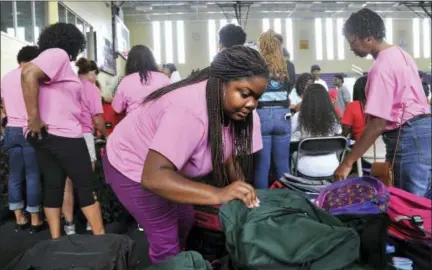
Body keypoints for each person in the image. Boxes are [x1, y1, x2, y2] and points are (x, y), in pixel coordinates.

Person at [102, 45, 267, 263]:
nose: (252, 104)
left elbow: (232, 157)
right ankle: (170, 263)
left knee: (185, 219)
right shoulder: (190, 111)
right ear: (221, 82)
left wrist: (243, 193)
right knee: (166, 239)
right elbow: (154, 178)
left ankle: (182, 262)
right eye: (245, 94)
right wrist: (219, 194)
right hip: (132, 164)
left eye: (257, 97)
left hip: (167, 169)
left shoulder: (245, 115)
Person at [334, 8, 431, 198]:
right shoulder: (402, 55)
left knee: (409, 209)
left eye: (353, 42)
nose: (351, 48)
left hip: (409, 138)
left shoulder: (381, 67)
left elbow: (378, 124)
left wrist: (348, 162)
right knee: (425, 207)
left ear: (369, 38)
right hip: (425, 132)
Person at [21, 22, 105, 238]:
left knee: (53, 186)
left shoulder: (51, 60)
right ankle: (101, 240)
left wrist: (35, 121)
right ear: (73, 43)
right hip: (64, 134)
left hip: (47, 136)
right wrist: (34, 118)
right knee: (86, 186)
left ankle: (56, 242)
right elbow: (28, 74)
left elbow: (29, 74)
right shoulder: (57, 54)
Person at [62, 57, 108, 235]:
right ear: (91, 74)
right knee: (87, 182)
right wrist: (106, 136)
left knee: (67, 183)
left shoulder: (66, 85)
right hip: (85, 136)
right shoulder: (91, 88)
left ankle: (69, 225)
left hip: (65, 135)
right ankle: (91, 223)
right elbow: (97, 120)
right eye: (95, 75)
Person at [1, 45, 44, 233]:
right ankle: (35, 219)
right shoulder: (33, 75)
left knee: (15, 176)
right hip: (28, 130)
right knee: (32, 175)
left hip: (11, 130)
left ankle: (19, 217)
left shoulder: (6, 77)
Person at [254, 30, 291, 189]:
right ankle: (288, 203)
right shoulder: (289, 66)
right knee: (283, 165)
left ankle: (261, 205)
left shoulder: (256, 66)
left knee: (262, 165)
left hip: (262, 115)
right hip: (283, 115)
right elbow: (289, 90)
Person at [291, 84, 341, 177]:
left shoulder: (298, 116)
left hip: (306, 168)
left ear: (306, 99)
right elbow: (339, 132)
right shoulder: (333, 117)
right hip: (332, 167)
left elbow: (289, 136)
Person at [112, 45, 170, 115]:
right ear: (151, 60)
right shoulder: (163, 78)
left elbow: (117, 108)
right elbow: (171, 104)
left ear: (130, 62)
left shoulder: (126, 81)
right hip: (160, 122)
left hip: (133, 123)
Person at [341, 76, 367, 140]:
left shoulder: (352, 106)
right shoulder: (376, 105)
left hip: (359, 144)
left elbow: (346, 129)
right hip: (378, 144)